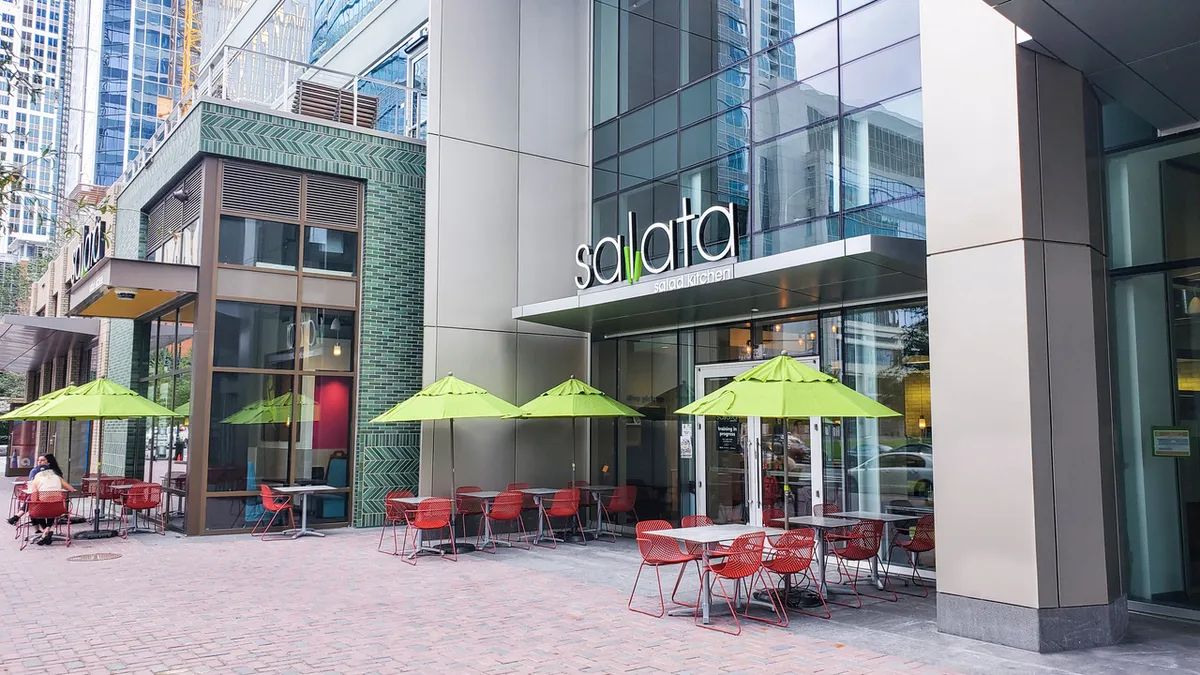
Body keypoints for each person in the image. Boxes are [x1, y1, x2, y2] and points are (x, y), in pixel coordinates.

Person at [23, 454, 74, 545]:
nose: (39, 462)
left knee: (36, 508)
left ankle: (44, 531)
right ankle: (46, 531)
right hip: (58, 509)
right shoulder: (57, 477)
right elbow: (71, 489)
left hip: (40, 510)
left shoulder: (36, 479)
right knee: (51, 505)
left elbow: (34, 499)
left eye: (42, 460)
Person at [6, 454, 52, 525]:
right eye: (38, 460)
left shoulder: (51, 472)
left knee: (31, 502)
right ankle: (44, 530)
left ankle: (17, 516)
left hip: (49, 500)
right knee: (32, 501)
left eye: (42, 460)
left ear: (48, 462)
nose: (39, 462)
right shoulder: (35, 471)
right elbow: (32, 483)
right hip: (41, 498)